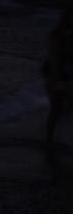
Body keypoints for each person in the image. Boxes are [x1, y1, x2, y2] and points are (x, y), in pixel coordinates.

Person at [43, 10, 73, 145]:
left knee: (63, 107)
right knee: (56, 108)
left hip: (67, 75)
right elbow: (53, 59)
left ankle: (52, 134)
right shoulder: (56, 37)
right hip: (56, 75)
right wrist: (55, 78)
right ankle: (49, 138)